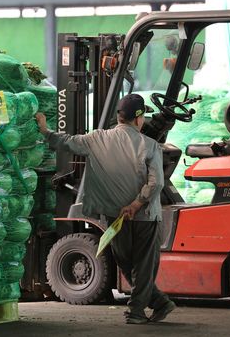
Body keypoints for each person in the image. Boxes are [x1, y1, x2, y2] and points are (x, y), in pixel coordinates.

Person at [36, 93, 176, 324]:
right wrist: (135, 204)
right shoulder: (150, 145)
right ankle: (153, 305)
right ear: (139, 119)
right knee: (142, 265)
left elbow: (66, 141)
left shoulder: (96, 139)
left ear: (119, 117)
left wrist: (44, 129)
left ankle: (141, 309)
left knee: (127, 263)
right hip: (144, 216)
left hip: (115, 217)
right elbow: (157, 183)